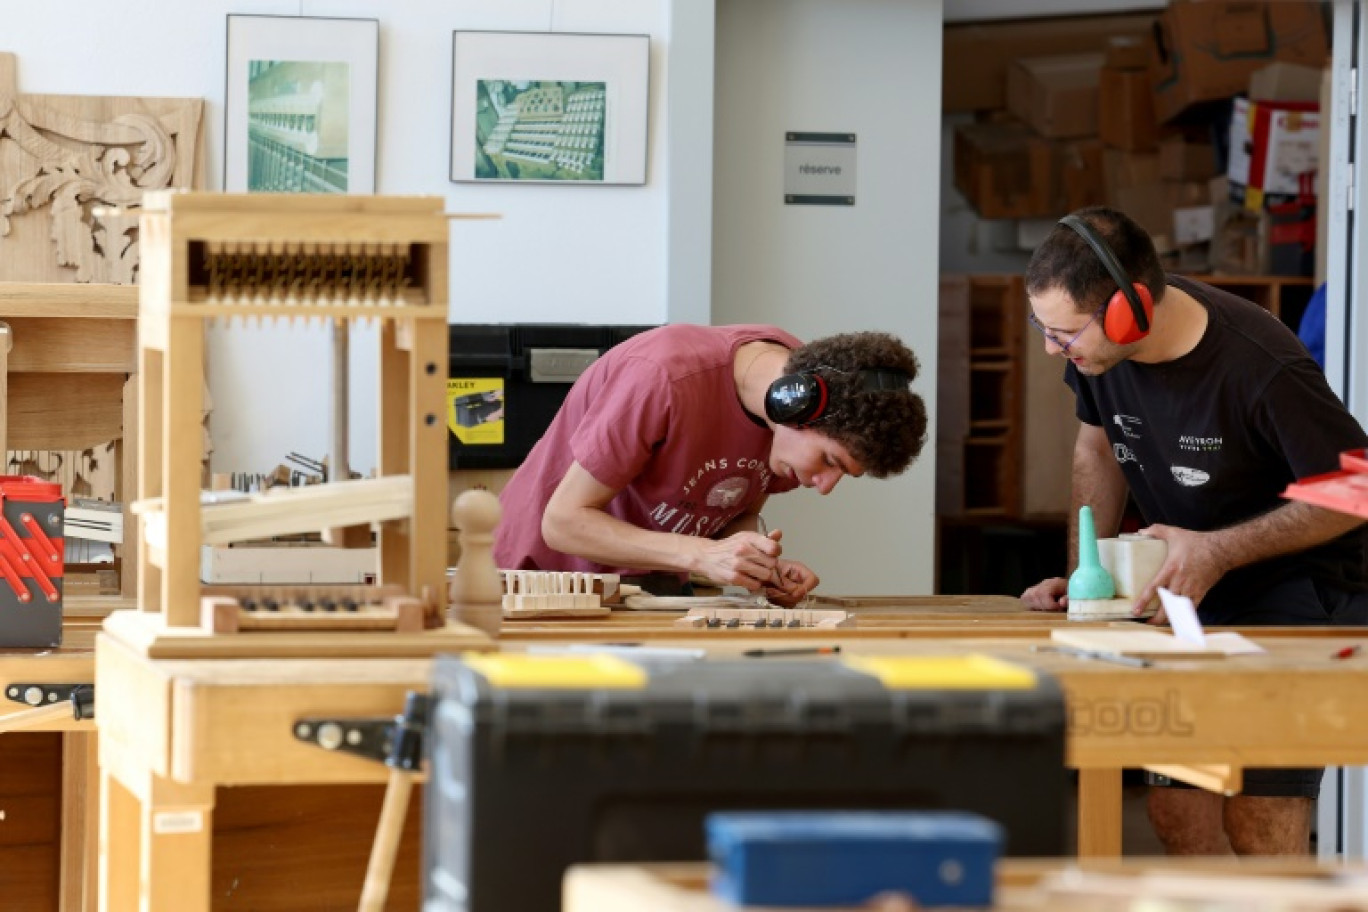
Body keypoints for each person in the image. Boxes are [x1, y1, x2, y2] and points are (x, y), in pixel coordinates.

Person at [1019, 206, 1368, 856]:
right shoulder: (1099, 356)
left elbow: (1356, 489)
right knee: (1180, 808)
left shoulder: (1261, 365)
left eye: (1063, 334)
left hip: (1298, 593)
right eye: (1043, 328)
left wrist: (1216, 550)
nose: (1051, 349)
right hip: (1192, 594)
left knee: (1258, 818)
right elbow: (1096, 451)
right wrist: (1086, 572)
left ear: (1131, 311)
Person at [494, 323, 928, 605]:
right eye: (830, 461)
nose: (825, 485)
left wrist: (752, 561)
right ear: (792, 401)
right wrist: (702, 555)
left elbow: (735, 502)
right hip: (543, 582)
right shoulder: (663, 377)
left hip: (648, 587)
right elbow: (564, 522)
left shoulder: (798, 397)